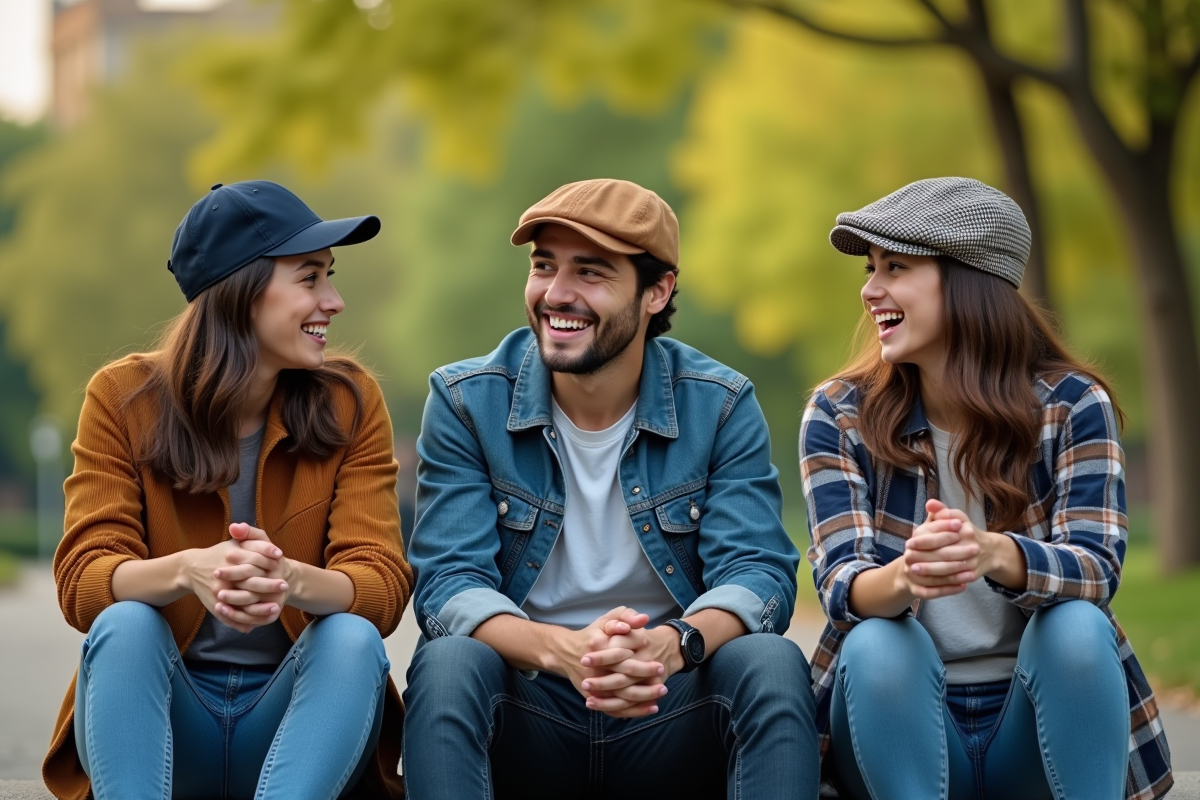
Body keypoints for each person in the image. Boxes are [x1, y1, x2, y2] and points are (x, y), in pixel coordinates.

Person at [401, 178, 819, 798]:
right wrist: (562, 650)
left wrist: (671, 646)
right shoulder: (466, 401)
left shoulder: (720, 404)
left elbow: (759, 572)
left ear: (657, 291)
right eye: (544, 266)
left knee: (771, 662)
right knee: (448, 663)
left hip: (667, 705)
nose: (557, 294)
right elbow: (449, 584)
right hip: (531, 705)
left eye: (590, 273)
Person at [800, 177, 1173, 799]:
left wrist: (994, 553)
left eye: (896, 266)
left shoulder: (1073, 404)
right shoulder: (841, 413)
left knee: (1077, 626)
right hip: (902, 726)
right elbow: (841, 582)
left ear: (971, 281)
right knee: (876, 643)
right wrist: (909, 575)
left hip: (1031, 725)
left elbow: (1097, 566)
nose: (870, 289)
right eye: (870, 268)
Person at [43, 181, 412, 800]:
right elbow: (84, 579)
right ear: (243, 293)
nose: (335, 300)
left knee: (351, 637)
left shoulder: (350, 402)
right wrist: (190, 571)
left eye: (330, 276)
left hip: (297, 732)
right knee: (126, 624)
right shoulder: (121, 398)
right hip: (166, 728)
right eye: (310, 278)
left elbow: (381, 585)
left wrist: (287, 579)